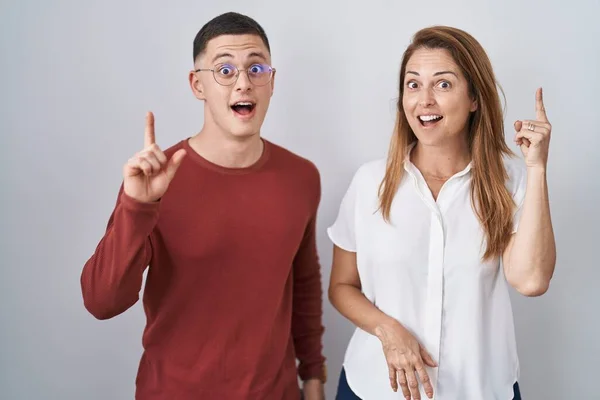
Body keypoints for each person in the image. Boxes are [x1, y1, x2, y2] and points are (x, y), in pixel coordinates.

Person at [80, 12, 326, 400]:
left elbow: (303, 284)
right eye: (224, 70)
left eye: (255, 68)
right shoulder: (155, 181)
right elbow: (101, 301)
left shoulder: (301, 177)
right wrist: (136, 207)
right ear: (198, 84)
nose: (243, 83)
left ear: (272, 81)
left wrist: (313, 378)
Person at [327, 26, 556, 400]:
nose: (424, 100)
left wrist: (538, 168)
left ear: (474, 99)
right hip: (373, 389)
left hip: (480, 390)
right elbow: (341, 287)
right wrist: (387, 330)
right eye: (413, 84)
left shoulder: (510, 181)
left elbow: (531, 281)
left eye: (443, 85)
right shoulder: (370, 182)